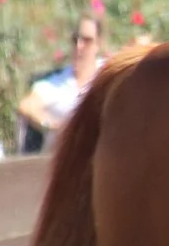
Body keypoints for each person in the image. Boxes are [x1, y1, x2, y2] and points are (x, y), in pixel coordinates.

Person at [15, 15, 105, 155]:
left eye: (87, 40)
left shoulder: (106, 74)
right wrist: (53, 127)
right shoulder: (57, 83)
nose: (79, 46)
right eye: (75, 39)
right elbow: (26, 106)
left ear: (98, 43)